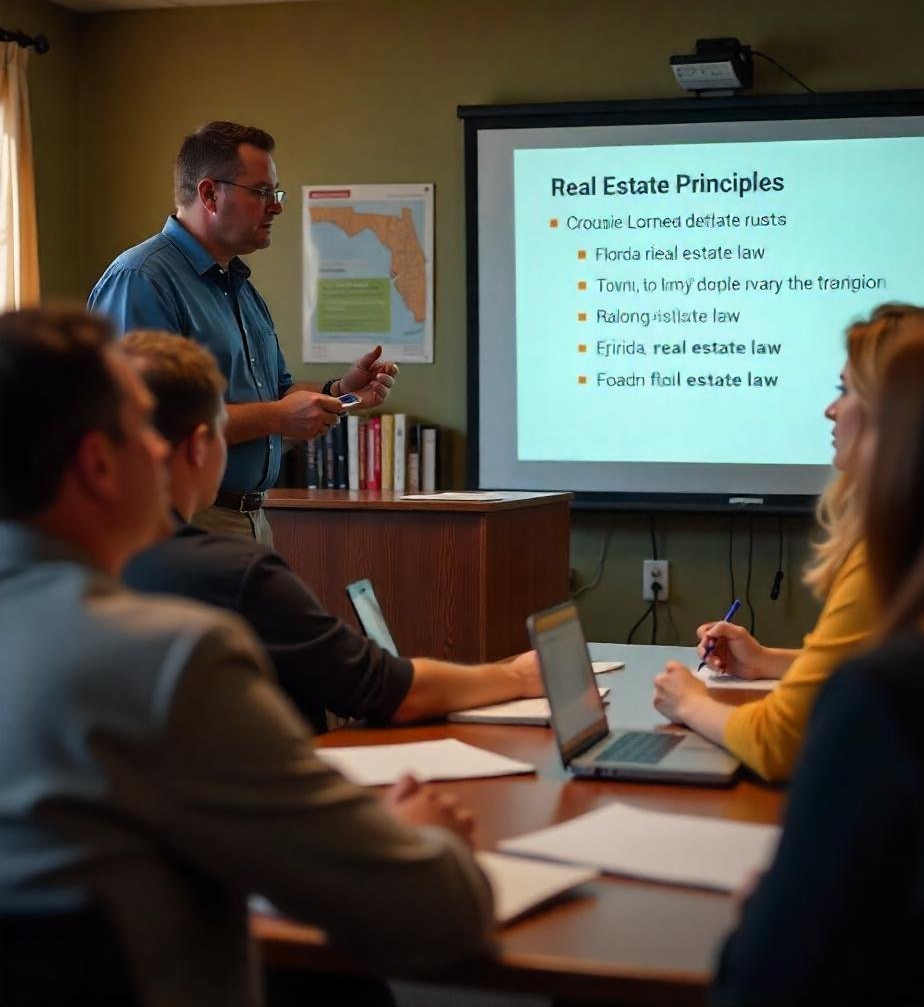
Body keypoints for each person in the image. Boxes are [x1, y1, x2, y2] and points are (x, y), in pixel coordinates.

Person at [0, 307, 492, 1006]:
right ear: (99, 463)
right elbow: (434, 918)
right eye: (145, 427)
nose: (172, 450)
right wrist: (424, 837)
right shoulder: (168, 663)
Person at [712, 309, 924, 1007]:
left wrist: (762, 913)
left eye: (854, 397)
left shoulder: (888, 701)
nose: (832, 409)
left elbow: (765, 983)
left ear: (920, 457)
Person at [119, 329, 544, 733]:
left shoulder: (79, 567)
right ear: (199, 446)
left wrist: (336, 393)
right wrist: (516, 677)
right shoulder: (234, 574)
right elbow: (385, 688)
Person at [653, 304, 924, 780]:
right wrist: (768, 662)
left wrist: (689, 701)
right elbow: (877, 671)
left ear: (893, 412)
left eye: (845, 390)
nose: (830, 409)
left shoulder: (891, 552)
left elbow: (778, 742)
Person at [88, 120, 397, 545]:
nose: (277, 207)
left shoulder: (240, 287)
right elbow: (145, 425)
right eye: (262, 193)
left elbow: (278, 395)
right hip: (178, 525)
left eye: (276, 193)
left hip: (251, 519)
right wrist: (277, 417)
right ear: (210, 194)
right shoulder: (142, 278)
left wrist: (340, 389)